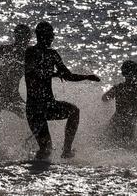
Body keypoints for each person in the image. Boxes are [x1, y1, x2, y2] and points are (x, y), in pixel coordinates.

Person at [24, 21, 100, 160]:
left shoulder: (53, 54)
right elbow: (31, 72)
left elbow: (68, 75)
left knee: (74, 111)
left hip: (49, 105)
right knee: (45, 150)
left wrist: (87, 77)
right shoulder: (31, 52)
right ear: (42, 36)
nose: (52, 38)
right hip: (34, 109)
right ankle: (34, 171)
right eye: (50, 35)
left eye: (52, 35)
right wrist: (52, 74)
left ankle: (66, 150)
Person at [0, 24, 32, 128]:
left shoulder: (9, 50)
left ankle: (25, 141)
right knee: (31, 117)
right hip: (3, 96)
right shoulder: (14, 51)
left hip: (4, 96)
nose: (28, 39)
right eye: (27, 37)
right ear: (21, 37)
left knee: (30, 117)